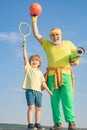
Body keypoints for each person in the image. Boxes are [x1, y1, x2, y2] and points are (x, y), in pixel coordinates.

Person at [30, 15, 80, 130]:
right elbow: (37, 35)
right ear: (50, 36)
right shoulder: (47, 45)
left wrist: (76, 61)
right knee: (54, 101)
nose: (55, 36)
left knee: (68, 98)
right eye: (53, 35)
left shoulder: (68, 43)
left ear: (61, 35)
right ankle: (57, 124)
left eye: (57, 34)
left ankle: (71, 123)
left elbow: (78, 54)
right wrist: (34, 20)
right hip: (52, 76)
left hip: (66, 74)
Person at [22, 42, 53, 130]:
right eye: (32, 60)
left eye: (36, 60)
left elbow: (43, 83)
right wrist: (24, 48)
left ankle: (37, 123)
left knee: (38, 108)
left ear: (39, 63)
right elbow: (25, 57)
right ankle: (30, 124)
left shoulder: (40, 73)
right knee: (31, 107)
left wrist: (49, 91)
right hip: (30, 91)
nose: (34, 61)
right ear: (30, 62)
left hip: (39, 92)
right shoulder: (28, 68)